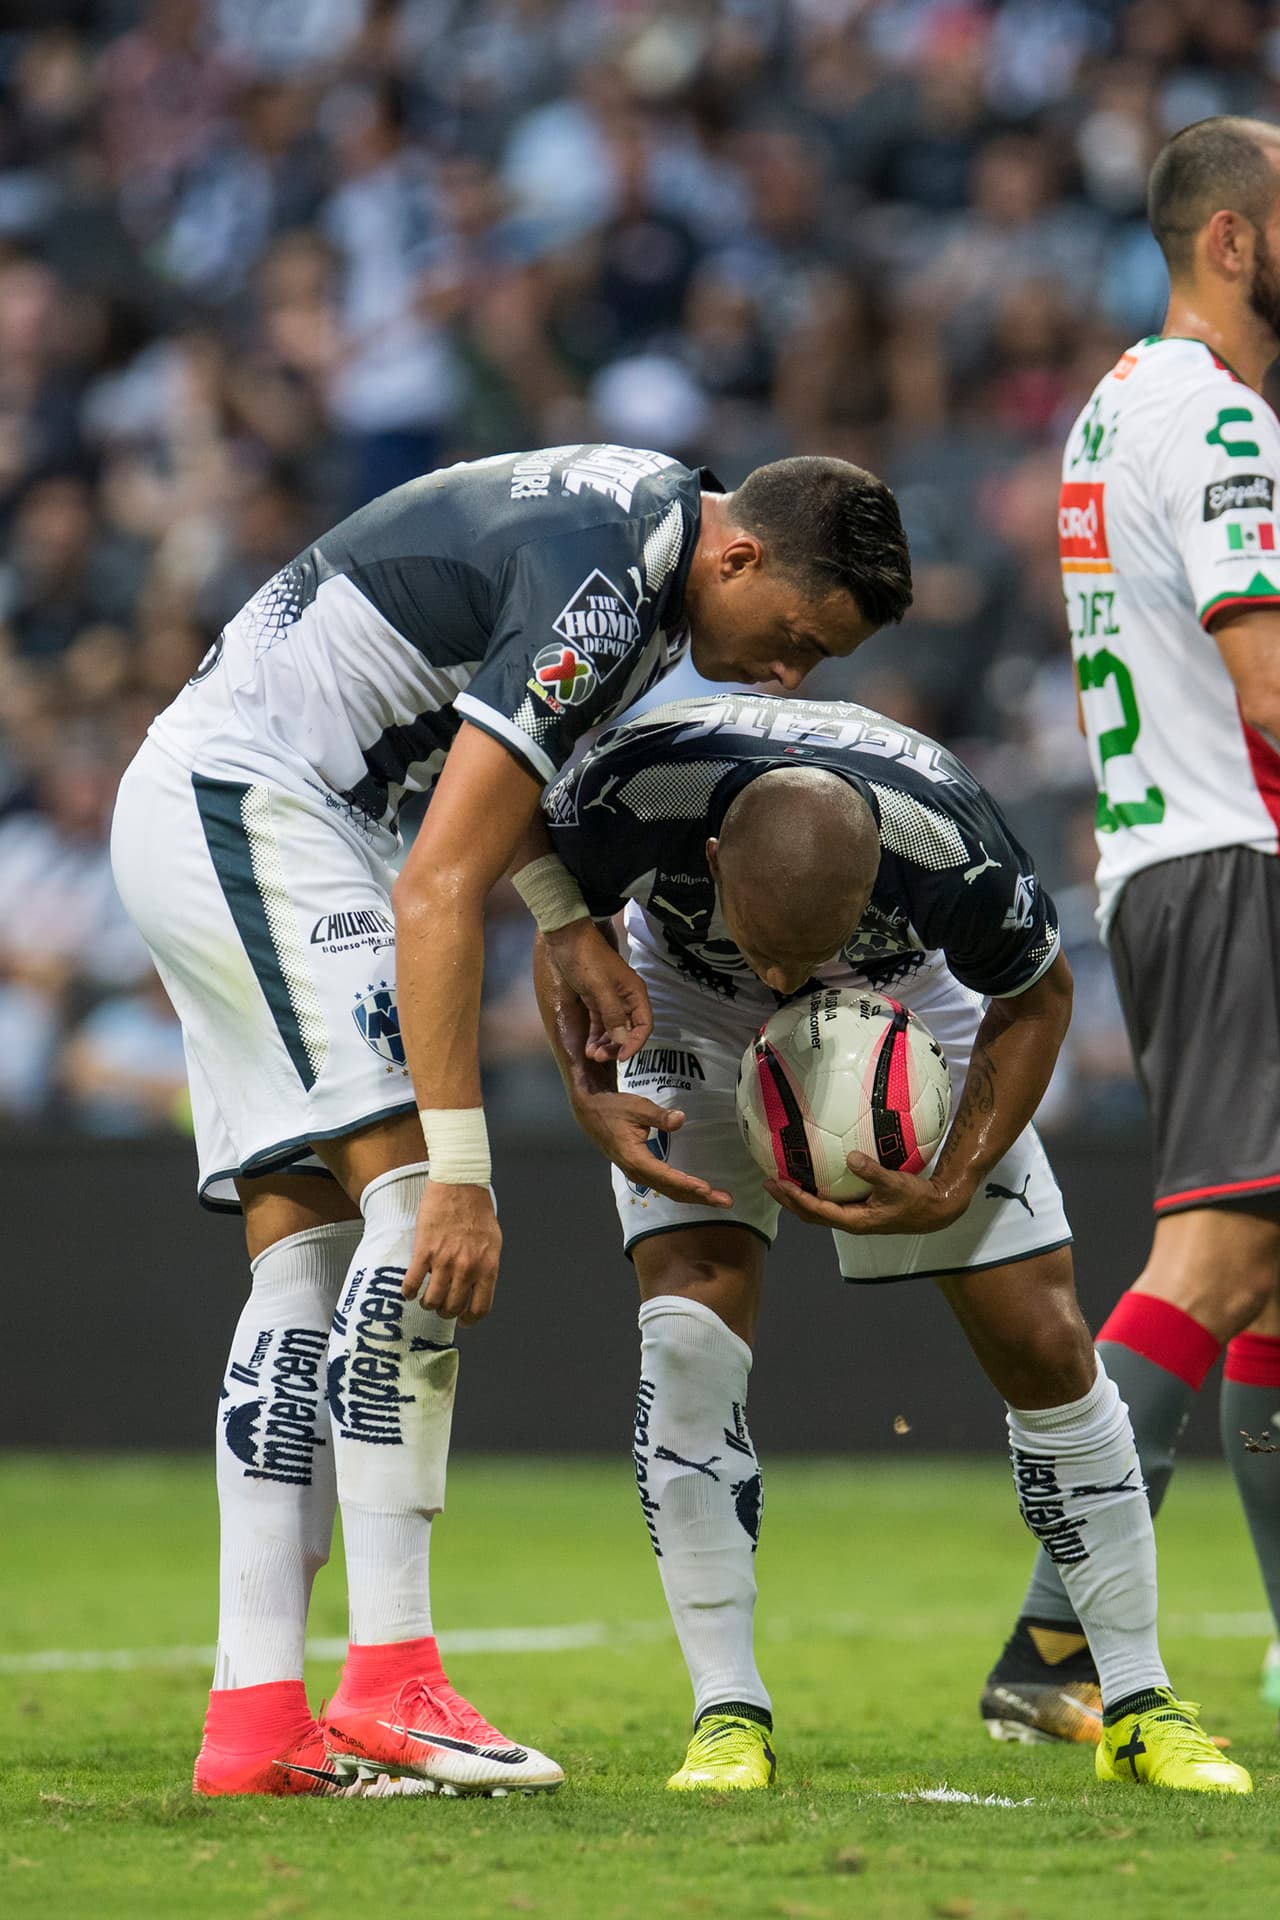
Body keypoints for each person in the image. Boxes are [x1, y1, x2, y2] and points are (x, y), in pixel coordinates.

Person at [108, 447, 913, 1796]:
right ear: (742, 560)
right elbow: (437, 886)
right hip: (266, 813)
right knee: (418, 1207)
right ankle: (392, 1681)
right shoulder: (616, 585)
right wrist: (464, 1173)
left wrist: (567, 918)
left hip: (239, 804)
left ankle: (254, 1722)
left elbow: (470, 754)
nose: (787, 680)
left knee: (305, 1255)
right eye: (791, 642)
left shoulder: (638, 542)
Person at [532, 690, 1251, 1797]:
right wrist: (587, 1088)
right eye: (771, 948)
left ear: (875, 885)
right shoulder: (625, 788)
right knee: (685, 1328)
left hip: (907, 996)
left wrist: (953, 1178)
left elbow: (1038, 999)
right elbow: (555, 902)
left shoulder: (959, 854)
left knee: (1044, 1338)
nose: (784, 978)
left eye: (802, 950)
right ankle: (726, 1716)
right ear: (710, 853)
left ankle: (1140, 1703)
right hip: (683, 995)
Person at [983, 115, 1280, 1745]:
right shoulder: (1223, 421)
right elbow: (1269, 686)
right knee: (1221, 1247)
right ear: (1232, 239)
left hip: (1170, 859)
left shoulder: (1114, 411)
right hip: (1244, 856)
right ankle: (1049, 1641)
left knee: (1272, 1271)